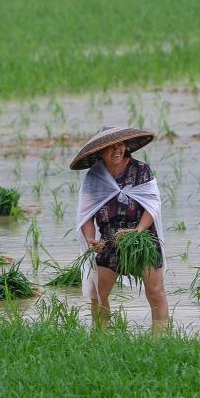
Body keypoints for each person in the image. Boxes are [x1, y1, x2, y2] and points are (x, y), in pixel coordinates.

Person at [72, 126, 169, 334]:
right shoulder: (94, 177)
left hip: (142, 237)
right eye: (110, 147)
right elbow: (86, 213)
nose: (116, 150)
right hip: (109, 239)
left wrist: (139, 231)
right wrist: (91, 239)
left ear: (126, 147)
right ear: (100, 152)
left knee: (155, 291)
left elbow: (152, 204)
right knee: (99, 293)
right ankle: (101, 335)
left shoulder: (141, 170)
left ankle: (161, 337)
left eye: (120, 145)